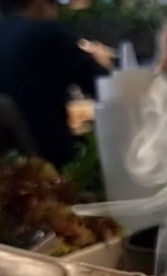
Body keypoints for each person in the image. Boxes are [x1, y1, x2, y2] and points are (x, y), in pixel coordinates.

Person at [0, 0, 110, 168]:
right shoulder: (49, 31)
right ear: (40, 4)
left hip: (9, 171)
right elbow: (107, 90)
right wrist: (104, 62)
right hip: (53, 166)